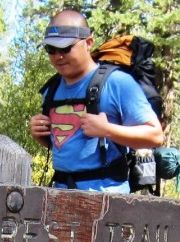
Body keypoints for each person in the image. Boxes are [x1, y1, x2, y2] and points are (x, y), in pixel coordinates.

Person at [29, 10, 163, 193]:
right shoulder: (51, 90)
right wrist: (43, 137)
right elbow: (73, 149)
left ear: (89, 43)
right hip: (59, 198)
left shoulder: (117, 83)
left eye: (66, 48)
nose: (58, 56)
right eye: (50, 49)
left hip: (108, 203)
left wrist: (108, 130)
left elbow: (155, 136)